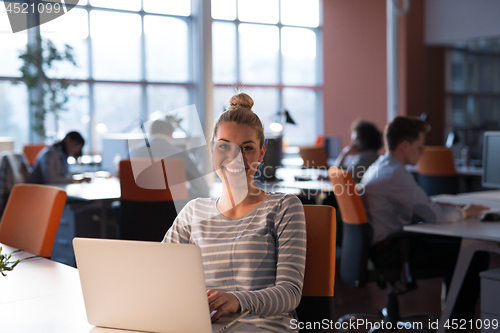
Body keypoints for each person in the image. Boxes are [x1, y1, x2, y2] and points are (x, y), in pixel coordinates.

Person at [162, 92, 306, 332]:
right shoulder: (193, 212)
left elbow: (290, 294)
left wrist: (237, 300)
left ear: (261, 153)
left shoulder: (283, 207)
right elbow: (158, 273)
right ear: (211, 150)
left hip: (262, 326)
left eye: (247, 148)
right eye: (224, 146)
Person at [361, 116, 489, 321]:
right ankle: (459, 322)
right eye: (420, 147)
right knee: (474, 253)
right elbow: (434, 216)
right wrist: (466, 211)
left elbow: (422, 206)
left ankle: (454, 315)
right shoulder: (396, 174)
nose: (422, 153)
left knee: (458, 245)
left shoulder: (380, 165)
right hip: (395, 250)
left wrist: (450, 206)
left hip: (382, 245)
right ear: (404, 145)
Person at [129, 118, 210, 199]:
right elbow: (203, 189)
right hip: (173, 209)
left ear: (151, 132)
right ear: (171, 134)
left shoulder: (132, 153)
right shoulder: (181, 155)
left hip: (137, 209)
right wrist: (185, 192)